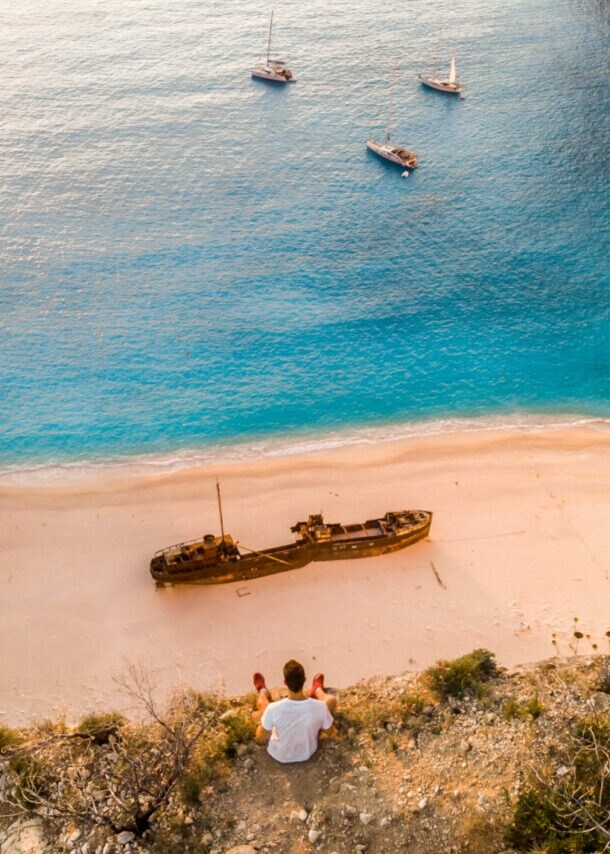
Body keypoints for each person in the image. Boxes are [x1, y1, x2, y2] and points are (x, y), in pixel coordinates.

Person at [252, 660, 336, 763]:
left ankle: (262, 691)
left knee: (263, 705)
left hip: (279, 755)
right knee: (330, 700)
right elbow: (329, 731)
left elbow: (260, 739)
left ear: (285, 683)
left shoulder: (273, 708)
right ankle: (317, 690)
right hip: (307, 753)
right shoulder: (321, 706)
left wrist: (259, 721)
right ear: (304, 680)